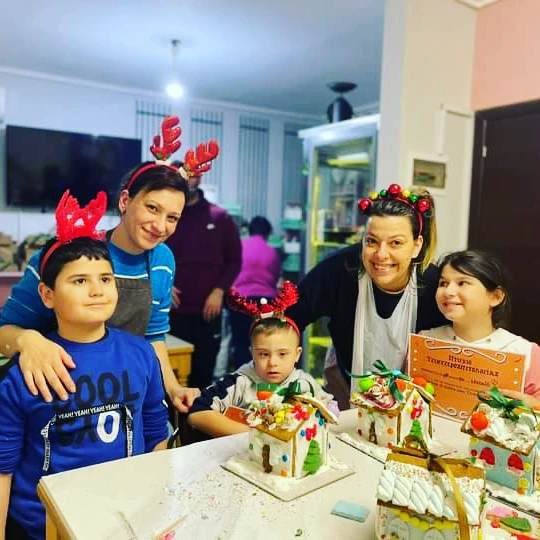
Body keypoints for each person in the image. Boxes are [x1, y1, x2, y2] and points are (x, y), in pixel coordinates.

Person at [0, 116, 199, 412]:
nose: (160, 226)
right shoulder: (70, 252)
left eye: (172, 218)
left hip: (123, 390)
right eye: (152, 208)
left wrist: (172, 389)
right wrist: (29, 341)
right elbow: (4, 330)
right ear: (125, 201)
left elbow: (153, 337)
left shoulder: (162, 260)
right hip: (57, 392)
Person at [0, 192, 168, 540]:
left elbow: (155, 435)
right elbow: (3, 467)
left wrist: (155, 511)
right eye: (80, 281)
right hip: (45, 527)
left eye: (105, 279)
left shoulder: (141, 354)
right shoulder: (24, 373)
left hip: (124, 519)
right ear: (47, 295)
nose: (97, 290)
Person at [287, 183, 447, 409]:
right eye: (371, 241)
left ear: (416, 246)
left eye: (396, 243)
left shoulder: (434, 286)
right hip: (343, 394)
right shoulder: (340, 270)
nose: (381, 254)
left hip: (413, 405)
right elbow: (291, 315)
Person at [188, 282, 333, 437]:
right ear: (252, 353)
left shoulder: (306, 383)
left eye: (282, 354)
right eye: (264, 354)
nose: (273, 363)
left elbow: (331, 410)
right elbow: (197, 413)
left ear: (297, 354)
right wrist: (254, 436)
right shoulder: (238, 383)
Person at [420, 250, 540, 400]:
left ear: (495, 297)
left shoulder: (525, 352)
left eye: (462, 283)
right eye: (443, 283)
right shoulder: (423, 341)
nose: (448, 291)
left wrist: (532, 405)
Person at [167, 158, 242, 389]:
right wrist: (162, 285)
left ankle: (199, 414)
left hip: (208, 314)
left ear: (200, 178)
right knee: (169, 378)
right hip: (171, 313)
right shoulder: (167, 217)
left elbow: (234, 260)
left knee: (202, 377)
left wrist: (219, 291)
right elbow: (149, 254)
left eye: (194, 175)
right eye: (184, 175)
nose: (189, 180)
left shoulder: (219, 217)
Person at [228, 216, 281, 369]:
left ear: (250, 230)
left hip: (241, 300)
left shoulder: (239, 247)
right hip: (265, 301)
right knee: (263, 342)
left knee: (240, 342)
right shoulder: (272, 252)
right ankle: (262, 375)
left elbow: (231, 272)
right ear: (268, 233)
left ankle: (241, 376)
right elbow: (275, 277)